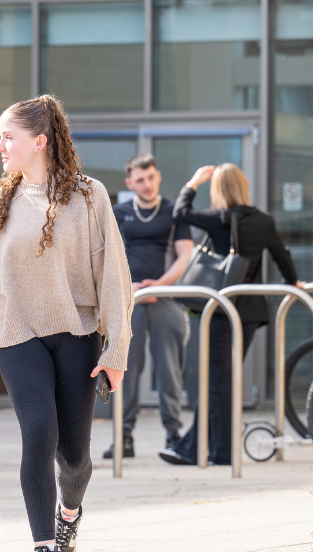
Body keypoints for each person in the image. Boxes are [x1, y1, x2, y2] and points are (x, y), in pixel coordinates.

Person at [0, 95, 132, 552]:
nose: (0, 146)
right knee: (38, 432)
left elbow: (114, 276)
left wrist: (116, 349)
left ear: (39, 142)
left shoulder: (89, 196)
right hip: (18, 334)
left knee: (74, 456)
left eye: (7, 137)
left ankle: (69, 512)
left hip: (77, 334)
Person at [159, 163, 302, 466]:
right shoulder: (263, 221)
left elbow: (180, 213)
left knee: (217, 383)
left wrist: (194, 181)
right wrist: (293, 282)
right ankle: (193, 447)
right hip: (250, 312)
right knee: (222, 381)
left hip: (222, 311)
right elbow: (281, 254)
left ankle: (218, 452)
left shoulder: (222, 219)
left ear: (219, 190)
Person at [105, 154, 193, 459]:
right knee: (125, 369)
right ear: (131, 183)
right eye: (140, 180)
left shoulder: (173, 211)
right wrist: (127, 288)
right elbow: (109, 256)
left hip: (166, 298)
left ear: (158, 177)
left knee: (170, 371)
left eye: (151, 177)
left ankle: (173, 435)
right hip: (130, 301)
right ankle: (123, 437)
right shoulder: (119, 212)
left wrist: (161, 284)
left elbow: (184, 256)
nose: (146, 184)